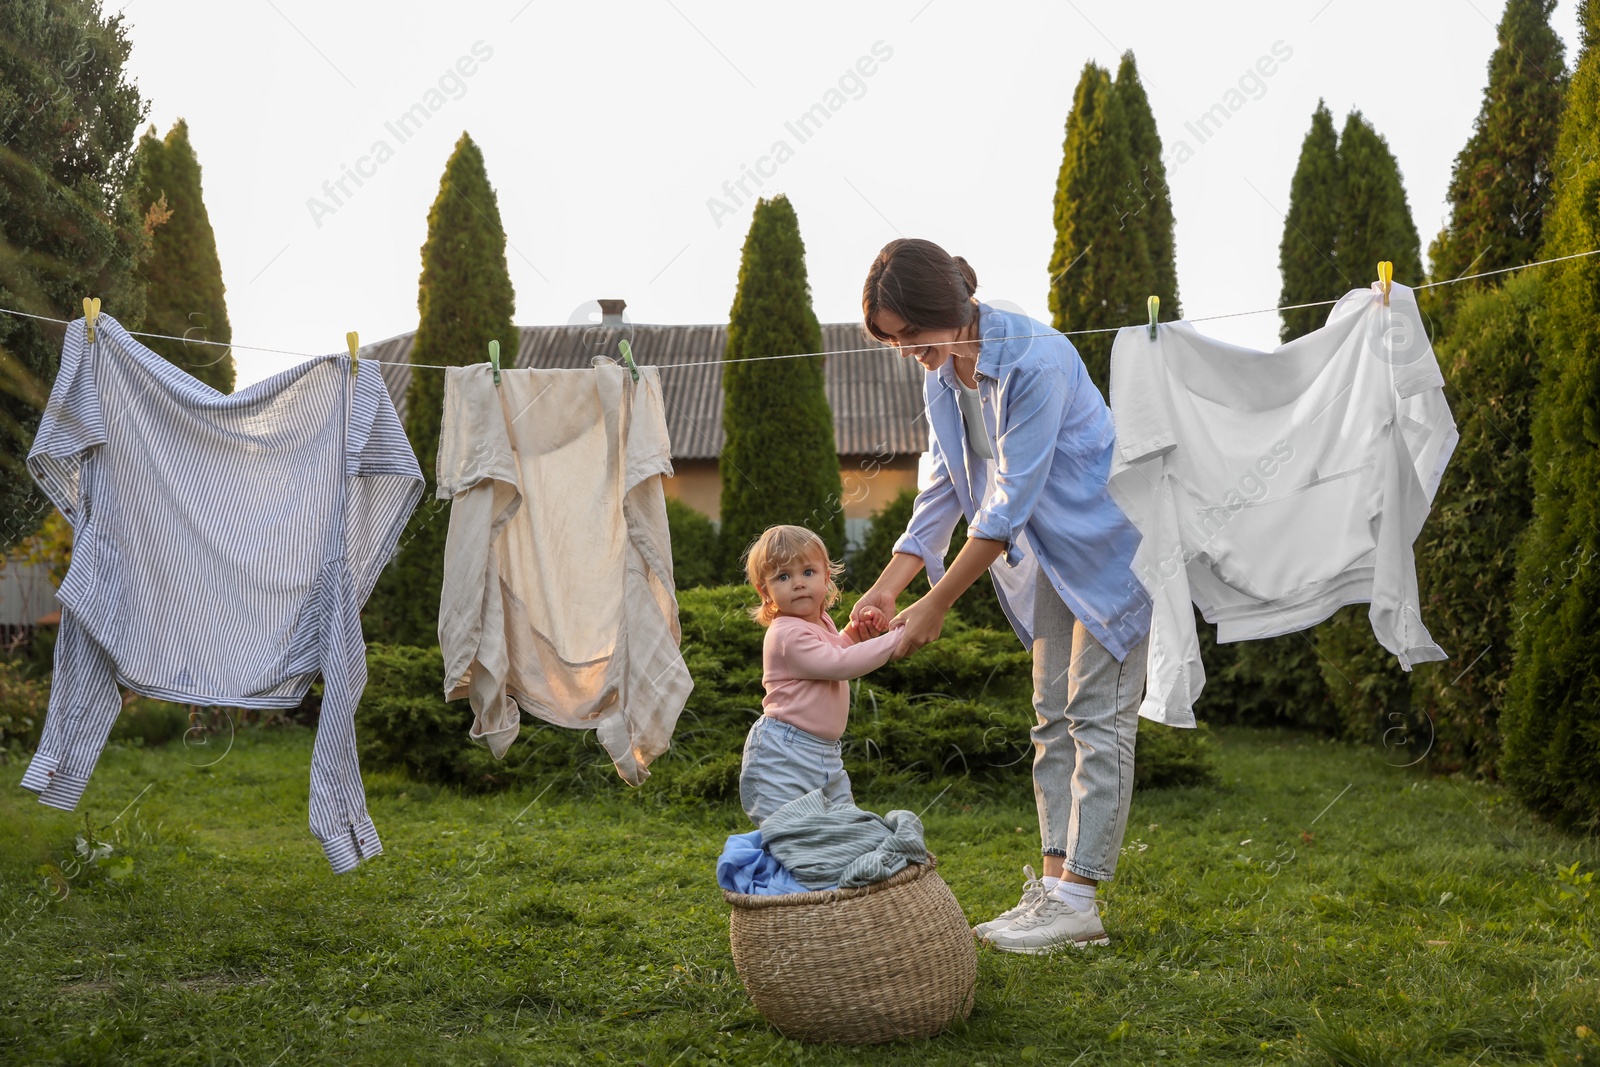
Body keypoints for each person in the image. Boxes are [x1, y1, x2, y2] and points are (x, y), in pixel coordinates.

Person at [851, 238, 1153, 953]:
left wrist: (938, 602)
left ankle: (1080, 900)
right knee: (1050, 715)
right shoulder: (942, 374)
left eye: (910, 333)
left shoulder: (1034, 360)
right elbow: (943, 491)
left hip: (1111, 549)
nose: (904, 351)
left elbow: (1007, 502)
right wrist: (888, 588)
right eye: (891, 340)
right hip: (1046, 559)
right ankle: (1053, 892)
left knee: (1097, 717)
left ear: (947, 309)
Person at [738, 524, 905, 826]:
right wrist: (897, 638)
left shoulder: (821, 623)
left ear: (827, 577)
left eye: (808, 573)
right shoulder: (786, 635)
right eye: (783, 577)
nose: (798, 583)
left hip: (824, 752)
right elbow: (839, 664)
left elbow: (836, 650)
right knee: (798, 835)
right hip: (785, 753)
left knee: (848, 828)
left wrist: (854, 632)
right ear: (766, 591)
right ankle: (753, 869)